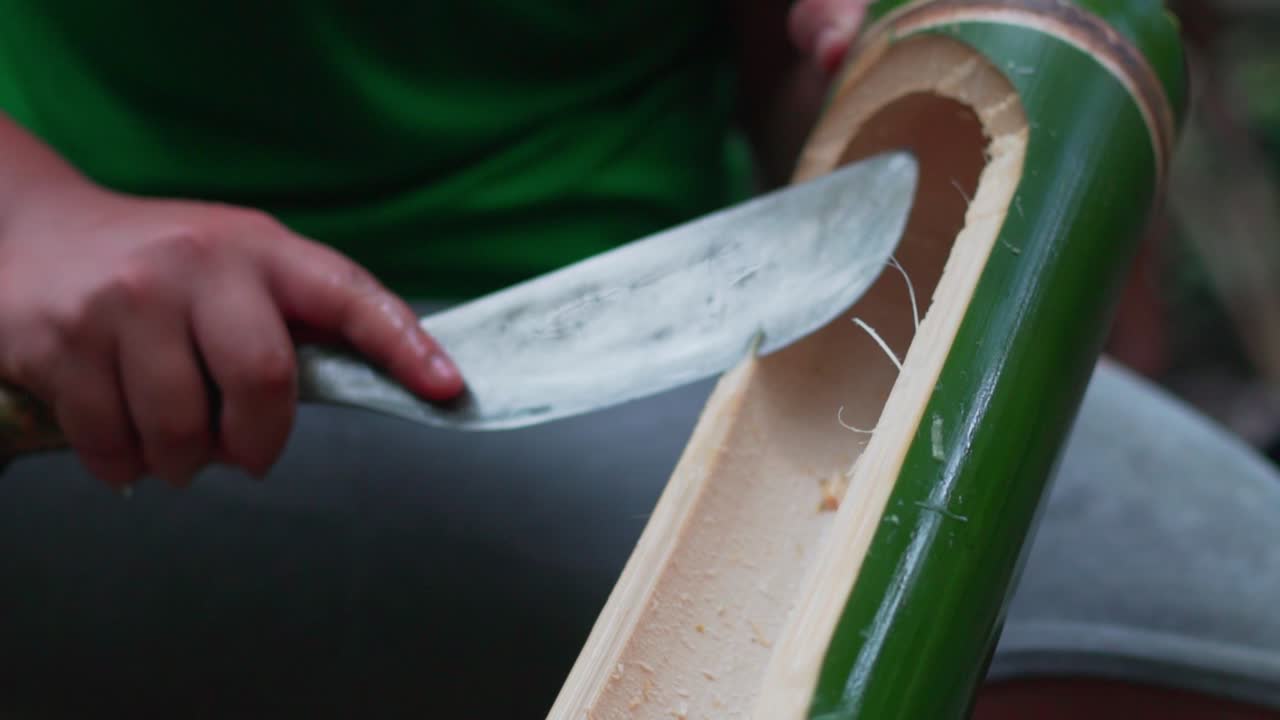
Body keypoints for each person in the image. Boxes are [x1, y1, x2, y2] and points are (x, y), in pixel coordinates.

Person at [0, 0, 868, 489]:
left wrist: (896, 57)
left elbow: (789, 83)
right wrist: (26, 219)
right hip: (97, 367)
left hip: (673, 337)